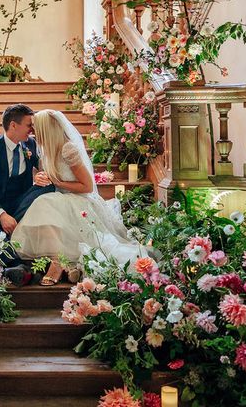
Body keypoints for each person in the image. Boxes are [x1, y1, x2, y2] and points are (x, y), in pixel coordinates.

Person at [11, 109, 150, 286]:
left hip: (79, 199)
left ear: (47, 129)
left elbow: (87, 186)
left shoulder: (67, 149)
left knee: (44, 203)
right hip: (60, 199)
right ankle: (62, 262)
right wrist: (39, 178)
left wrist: (58, 183)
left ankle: (58, 263)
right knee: (45, 204)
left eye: (36, 129)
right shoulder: (45, 150)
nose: (32, 133)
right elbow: (45, 176)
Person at [0, 104, 55, 275]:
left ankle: (4, 238)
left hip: (20, 203)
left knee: (49, 187)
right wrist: (1, 215)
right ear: (13, 125)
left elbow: (45, 167)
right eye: (29, 125)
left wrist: (41, 175)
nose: (32, 130)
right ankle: (15, 261)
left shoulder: (31, 144)